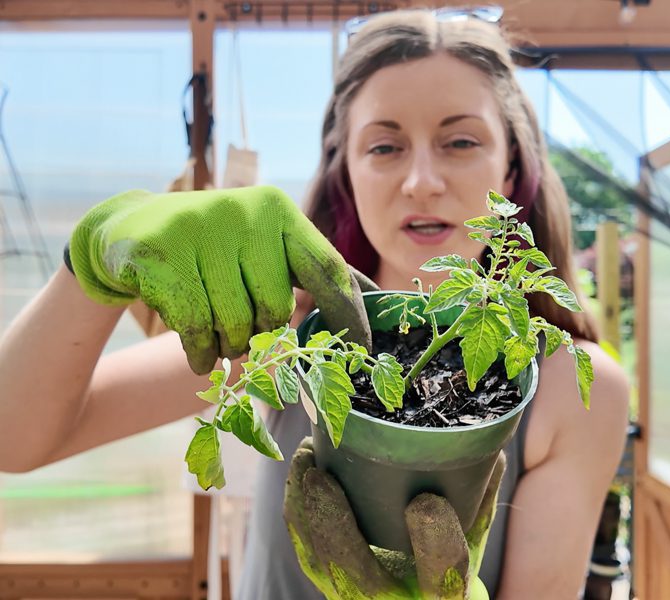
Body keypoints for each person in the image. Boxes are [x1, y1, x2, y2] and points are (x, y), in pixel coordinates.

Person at [0, 8, 629, 599]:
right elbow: (16, 438)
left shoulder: (572, 386)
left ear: (513, 170)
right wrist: (92, 261)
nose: (422, 181)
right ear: (345, 176)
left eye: (460, 142)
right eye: (384, 147)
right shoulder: (292, 332)